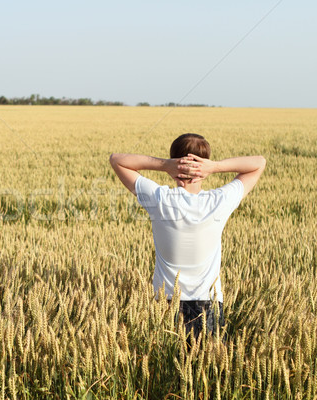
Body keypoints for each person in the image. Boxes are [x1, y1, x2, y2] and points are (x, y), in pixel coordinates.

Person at [109, 133, 266, 340]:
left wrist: (165, 165)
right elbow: (258, 163)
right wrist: (214, 167)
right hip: (209, 303)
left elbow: (117, 160)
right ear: (205, 163)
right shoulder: (220, 201)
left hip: (165, 304)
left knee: (166, 367)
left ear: (175, 162)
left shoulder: (159, 199)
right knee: (209, 368)